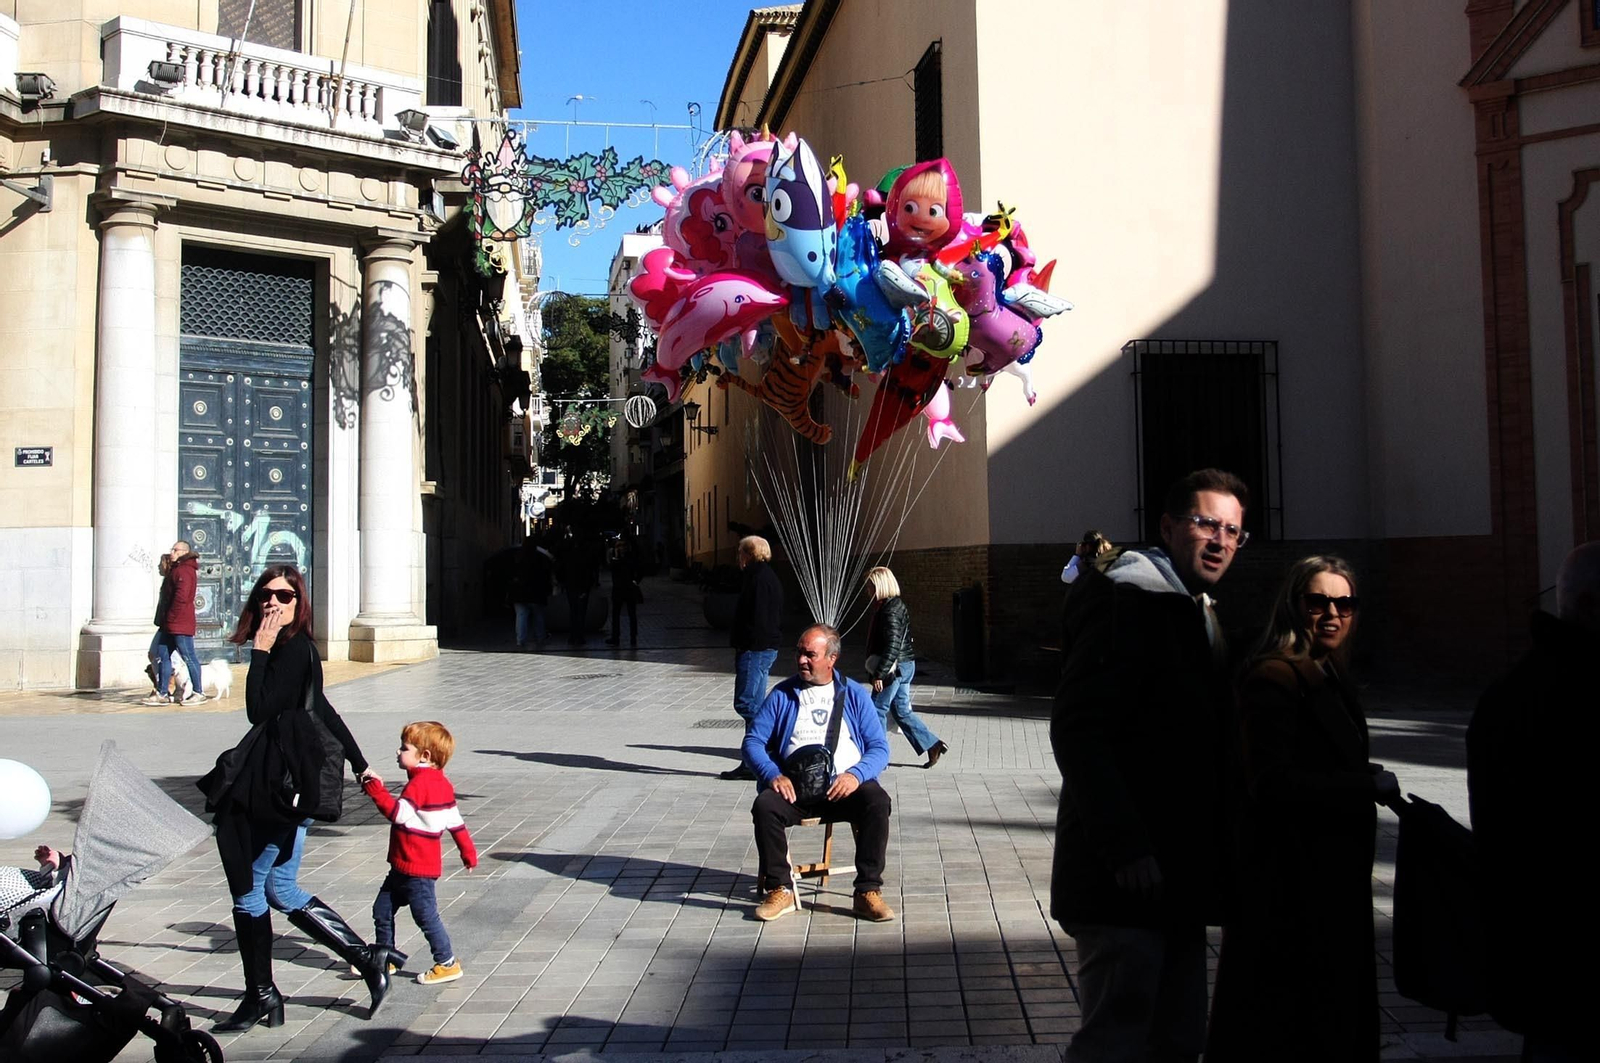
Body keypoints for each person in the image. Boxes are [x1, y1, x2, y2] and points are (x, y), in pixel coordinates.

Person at [1051, 468, 1249, 1063]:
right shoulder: (1125, 601)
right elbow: (1080, 731)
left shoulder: (1197, 612)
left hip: (1180, 878)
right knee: (1117, 1041)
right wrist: (1125, 846)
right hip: (1124, 883)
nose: (1219, 540)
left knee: (1179, 1039)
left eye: (1233, 531)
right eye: (1205, 523)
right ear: (1167, 527)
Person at [1205, 557, 1399, 1062]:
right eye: (1318, 602)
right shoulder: (1275, 676)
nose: (1332, 613)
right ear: (1294, 606)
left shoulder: (1325, 673)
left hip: (1325, 889)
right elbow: (1270, 781)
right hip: (1289, 896)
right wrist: (1364, 785)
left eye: (1344, 603)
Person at [209, 564, 394, 1032]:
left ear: (299, 603)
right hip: (291, 784)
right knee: (278, 887)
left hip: (281, 789)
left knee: (249, 888)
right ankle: (367, 958)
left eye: (285, 597)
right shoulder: (298, 650)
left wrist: (261, 652)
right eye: (266, 596)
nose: (274, 603)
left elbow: (259, 710)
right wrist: (360, 762)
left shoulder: (289, 650)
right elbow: (322, 707)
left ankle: (262, 997)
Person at [1467, 540, 1598, 1063]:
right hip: (1569, 958)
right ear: (1590, 606)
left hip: (1536, 966)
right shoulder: (1562, 698)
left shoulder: (1510, 694)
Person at [742, 624, 895, 923]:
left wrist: (855, 775)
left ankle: (867, 891)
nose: (801, 660)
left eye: (810, 654)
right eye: (799, 653)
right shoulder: (782, 695)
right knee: (765, 807)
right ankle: (780, 888)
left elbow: (879, 748)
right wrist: (773, 774)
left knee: (877, 801)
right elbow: (753, 742)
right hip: (795, 789)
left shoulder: (853, 694)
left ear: (831, 659)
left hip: (842, 787)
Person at [361, 721, 478, 987]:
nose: (398, 752)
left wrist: (376, 791)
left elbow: (397, 814)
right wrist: (468, 853)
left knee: (425, 915)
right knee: (383, 908)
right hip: (403, 867)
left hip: (417, 869)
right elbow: (456, 823)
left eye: (404, 748)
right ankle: (385, 957)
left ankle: (447, 962)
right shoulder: (441, 783)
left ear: (424, 756)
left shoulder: (419, 785)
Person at [862, 566, 948, 767]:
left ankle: (878, 756)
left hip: (894, 668)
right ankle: (933, 745)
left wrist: (880, 674)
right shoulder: (894, 605)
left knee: (876, 709)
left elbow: (892, 644)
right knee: (901, 711)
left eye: (870, 586)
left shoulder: (889, 609)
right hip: (905, 664)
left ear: (879, 586)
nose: (867, 591)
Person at [720, 536, 785, 780]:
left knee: (747, 703)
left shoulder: (759, 579)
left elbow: (759, 619)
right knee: (752, 702)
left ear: (749, 554)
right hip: (760, 648)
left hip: (756, 650)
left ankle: (769, 745)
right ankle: (752, 762)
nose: (738, 556)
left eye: (740, 552)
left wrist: (747, 646)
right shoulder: (763, 576)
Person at [144, 540, 206, 706]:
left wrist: (171, 617)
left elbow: (181, 597)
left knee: (188, 656)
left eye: (175, 549)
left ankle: (198, 692)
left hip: (179, 623)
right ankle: (162, 693)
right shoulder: (177, 569)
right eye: (172, 549)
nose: (171, 552)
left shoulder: (185, 571)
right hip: (169, 623)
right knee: (163, 655)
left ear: (184, 552)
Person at [511, 535, 553, 650]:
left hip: (520, 592)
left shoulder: (518, 557)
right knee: (538, 616)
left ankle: (520, 640)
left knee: (521, 616)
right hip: (536, 592)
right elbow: (545, 575)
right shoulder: (539, 558)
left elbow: (513, 575)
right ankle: (540, 638)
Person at [606, 537, 642, 647]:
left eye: (622, 546)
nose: (621, 548)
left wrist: (635, 581)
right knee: (616, 614)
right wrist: (616, 557)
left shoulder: (630, 558)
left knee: (631, 614)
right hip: (618, 589)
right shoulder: (615, 559)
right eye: (618, 546)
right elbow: (612, 567)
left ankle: (632, 637)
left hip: (628, 589)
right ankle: (616, 637)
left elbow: (639, 569)